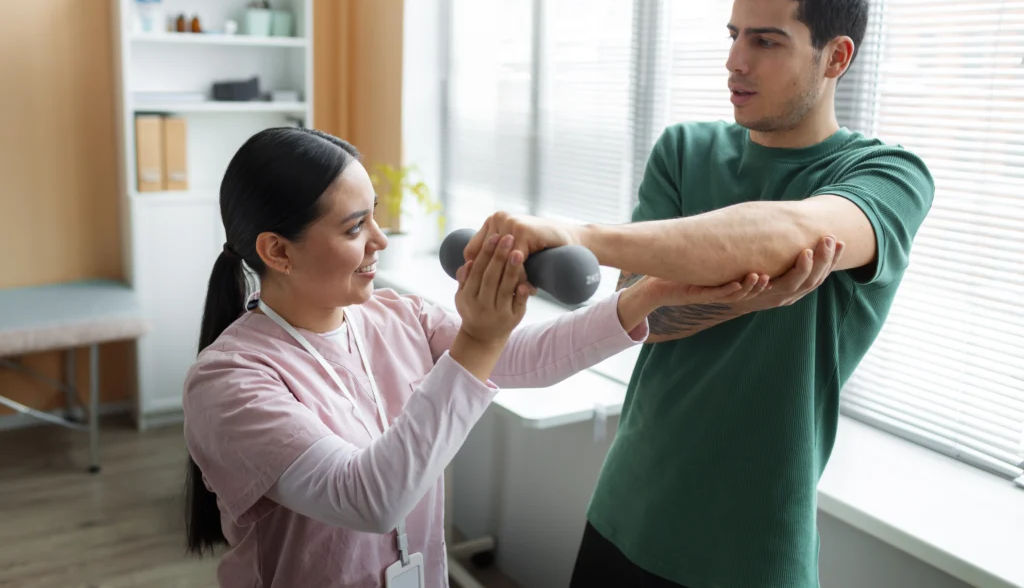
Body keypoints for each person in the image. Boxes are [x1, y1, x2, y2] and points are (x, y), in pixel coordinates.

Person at [463, 0, 935, 588]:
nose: (735, 61)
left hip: (752, 554)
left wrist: (580, 234)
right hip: (626, 509)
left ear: (837, 56)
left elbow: (788, 231)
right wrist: (739, 300)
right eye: (735, 34)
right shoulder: (686, 149)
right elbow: (643, 316)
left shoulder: (886, 175)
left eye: (766, 41)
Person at [180, 126, 774, 588]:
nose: (381, 241)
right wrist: (480, 338)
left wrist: (655, 290)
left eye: (376, 216)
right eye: (355, 227)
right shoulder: (228, 382)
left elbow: (522, 358)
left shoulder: (396, 315)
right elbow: (368, 498)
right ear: (277, 252)